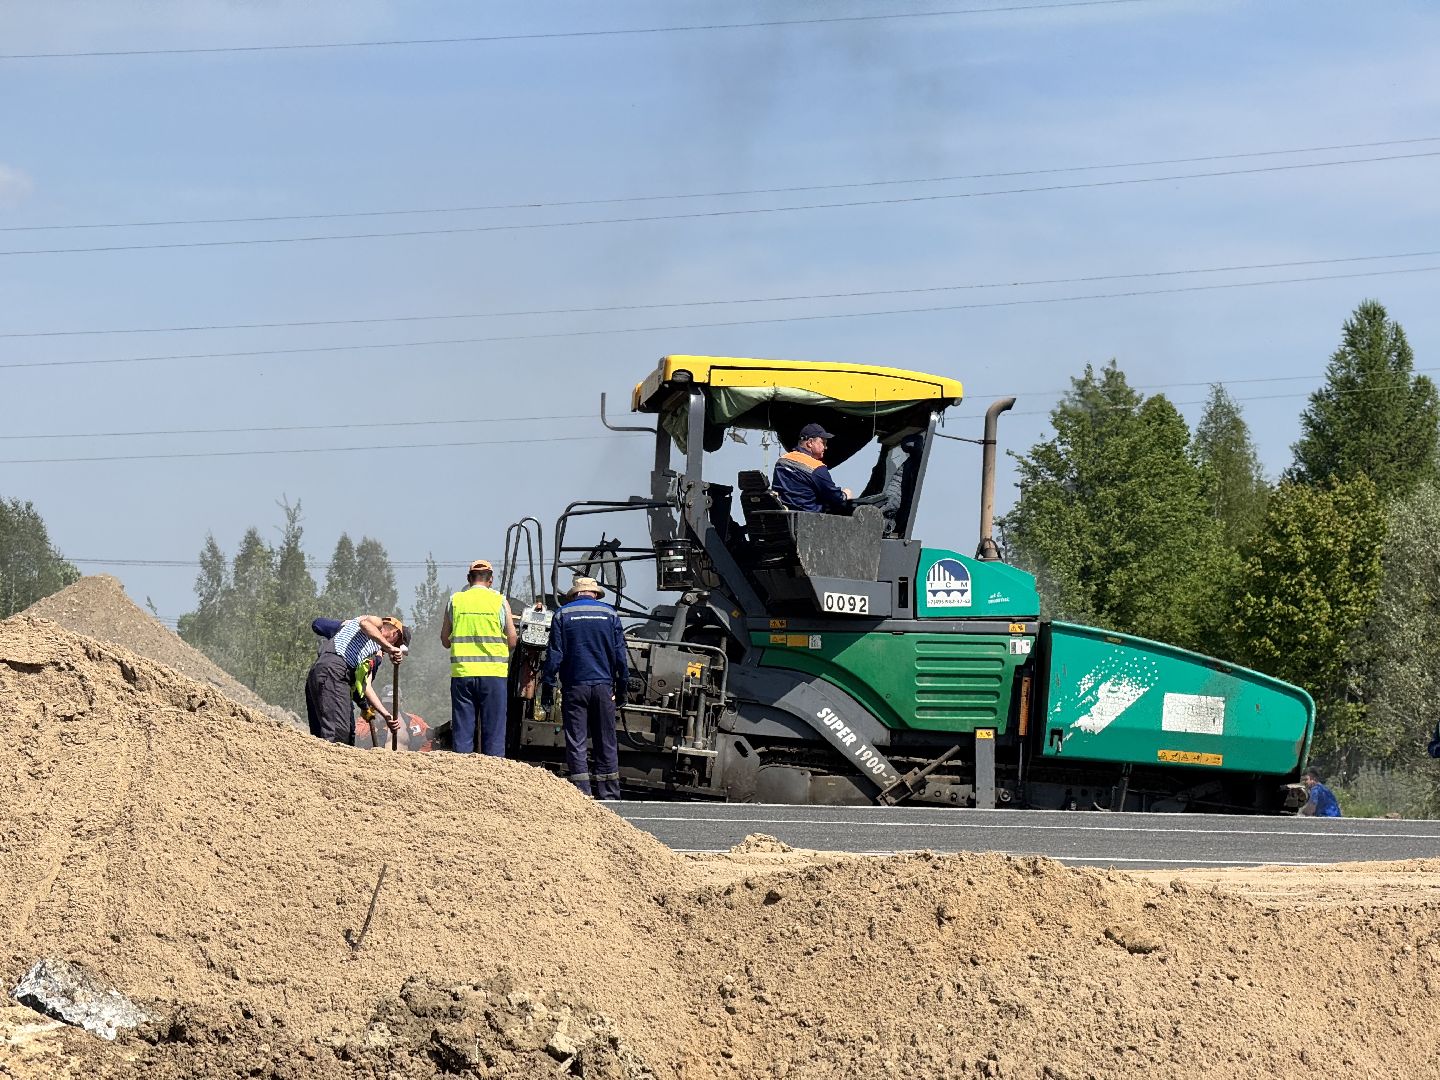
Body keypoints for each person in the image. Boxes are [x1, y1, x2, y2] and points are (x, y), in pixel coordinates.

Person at [540, 576, 628, 800]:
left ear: (574, 594)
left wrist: (548, 688)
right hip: (603, 686)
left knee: (576, 740)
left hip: (575, 687)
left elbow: (555, 655)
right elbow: (620, 656)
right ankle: (609, 795)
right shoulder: (610, 615)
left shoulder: (563, 614)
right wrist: (623, 687)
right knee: (606, 739)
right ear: (595, 594)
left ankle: (583, 795)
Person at [440, 559, 518, 756]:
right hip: (493, 676)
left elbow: (445, 640)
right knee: (494, 730)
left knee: (463, 730)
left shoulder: (455, 600)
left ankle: (464, 778)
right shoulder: (500, 601)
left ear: (469, 579)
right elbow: (512, 641)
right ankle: (492, 778)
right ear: (490, 580)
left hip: (462, 675)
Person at [304, 615, 409, 745]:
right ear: (395, 633)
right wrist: (389, 647)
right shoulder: (377, 623)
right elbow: (365, 624)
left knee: (340, 735)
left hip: (328, 675)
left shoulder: (372, 649)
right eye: (396, 644)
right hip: (333, 670)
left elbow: (365, 686)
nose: (391, 649)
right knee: (338, 734)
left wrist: (386, 715)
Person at [771, 422, 853, 513]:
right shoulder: (816, 468)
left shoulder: (782, 461)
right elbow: (835, 497)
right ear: (810, 443)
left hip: (783, 517)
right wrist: (845, 495)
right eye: (823, 443)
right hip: (809, 520)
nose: (825, 447)